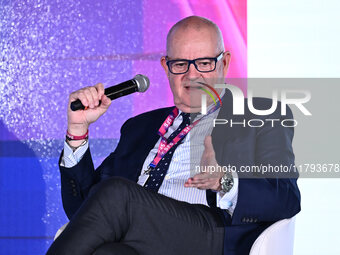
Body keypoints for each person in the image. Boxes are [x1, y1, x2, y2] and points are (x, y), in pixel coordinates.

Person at [47, 16, 301, 255]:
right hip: (140, 239)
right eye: (180, 64)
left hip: (210, 235)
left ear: (224, 62)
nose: (192, 75)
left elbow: (286, 199)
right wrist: (78, 131)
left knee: (117, 194)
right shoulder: (139, 127)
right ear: (166, 67)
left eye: (204, 63)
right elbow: (85, 211)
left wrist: (224, 181)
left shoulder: (262, 116)